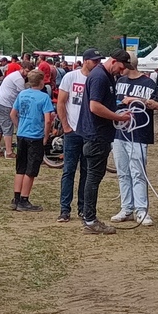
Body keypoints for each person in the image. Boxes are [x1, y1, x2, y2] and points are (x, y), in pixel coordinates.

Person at [110, 53, 158, 226]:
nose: (120, 70)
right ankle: (126, 207)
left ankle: (141, 209)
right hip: (119, 134)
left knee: (138, 172)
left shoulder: (148, 83)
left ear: (129, 66)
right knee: (122, 172)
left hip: (139, 134)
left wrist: (136, 100)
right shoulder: (120, 82)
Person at [73, 51, 127, 235]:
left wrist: (119, 105)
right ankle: (89, 219)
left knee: (93, 177)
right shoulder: (99, 77)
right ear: (114, 61)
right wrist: (118, 117)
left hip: (99, 134)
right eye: (121, 66)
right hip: (96, 135)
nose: (122, 70)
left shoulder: (106, 76)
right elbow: (94, 106)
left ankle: (88, 217)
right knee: (93, 178)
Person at [9, 72, 57, 211]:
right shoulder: (44, 97)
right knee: (31, 169)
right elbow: (48, 120)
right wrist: (46, 136)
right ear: (41, 82)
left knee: (20, 167)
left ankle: (16, 198)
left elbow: (13, 114)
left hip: (22, 134)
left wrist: (19, 126)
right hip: (35, 136)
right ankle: (24, 199)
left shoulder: (22, 94)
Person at [54, 57, 90, 222]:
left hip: (88, 132)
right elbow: (61, 102)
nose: (97, 64)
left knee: (86, 171)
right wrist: (66, 126)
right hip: (72, 131)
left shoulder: (96, 78)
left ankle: (83, 208)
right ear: (86, 61)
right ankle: (64, 209)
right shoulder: (71, 77)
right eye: (94, 61)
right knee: (68, 170)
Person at [0, 59, 25, 160]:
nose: (27, 74)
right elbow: (23, 94)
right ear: (22, 68)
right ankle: (9, 152)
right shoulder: (19, 79)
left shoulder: (14, 75)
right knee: (7, 127)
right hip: (5, 103)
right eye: (27, 71)